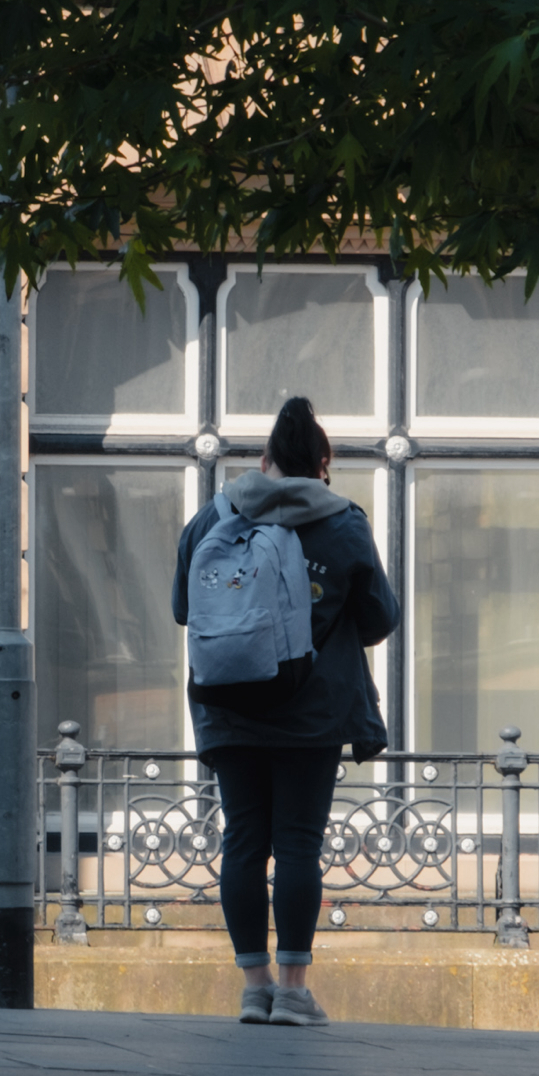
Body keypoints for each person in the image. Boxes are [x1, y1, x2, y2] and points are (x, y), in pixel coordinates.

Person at [172, 397, 400, 1026]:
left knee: (244, 839)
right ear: (322, 464)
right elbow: (381, 620)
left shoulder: (211, 518)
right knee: (298, 842)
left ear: (265, 461)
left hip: (229, 706)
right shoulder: (345, 523)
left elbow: (181, 609)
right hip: (313, 712)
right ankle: (294, 993)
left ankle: (255, 986)